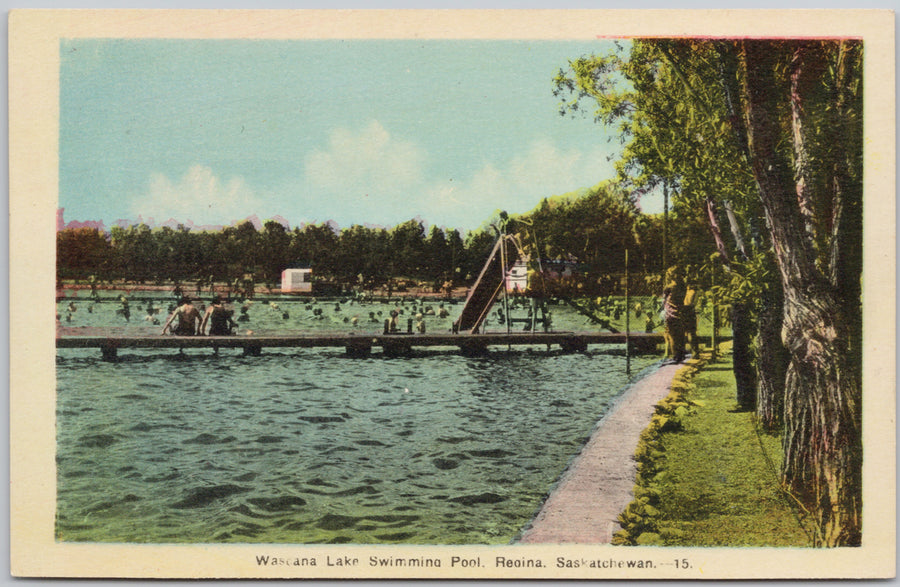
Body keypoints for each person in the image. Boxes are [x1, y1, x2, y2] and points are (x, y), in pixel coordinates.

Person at [662, 268, 686, 363]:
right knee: (679, 335)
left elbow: (664, 298)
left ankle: (675, 356)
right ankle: (680, 355)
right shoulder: (682, 285)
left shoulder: (670, 286)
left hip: (670, 313)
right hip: (679, 311)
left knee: (671, 335)